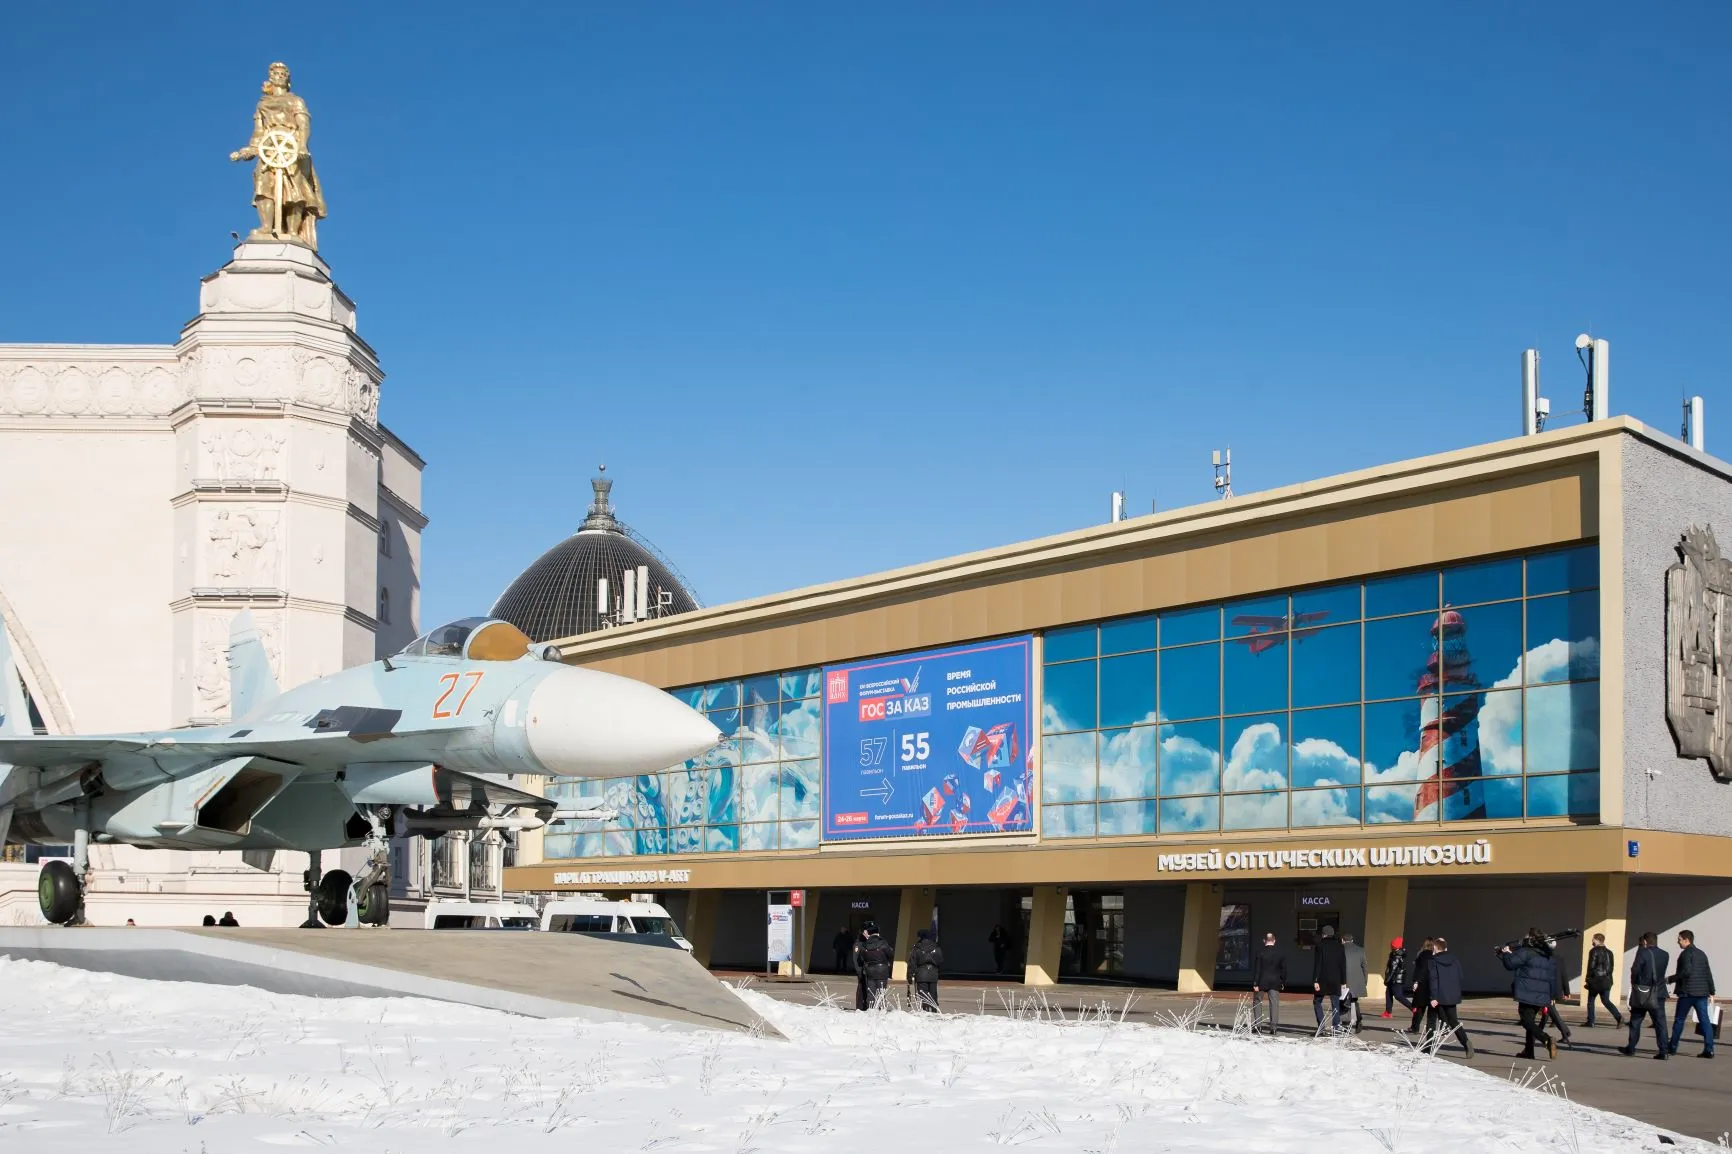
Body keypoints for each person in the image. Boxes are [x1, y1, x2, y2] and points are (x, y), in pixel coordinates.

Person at [1500, 928, 1562, 1060]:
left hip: (1527, 992)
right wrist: (1552, 996)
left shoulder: (1525, 952)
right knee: (1530, 1021)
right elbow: (1553, 977)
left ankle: (1546, 1039)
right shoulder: (1547, 955)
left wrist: (1506, 953)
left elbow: (1510, 964)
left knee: (1526, 1021)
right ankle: (1529, 1051)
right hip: (1542, 994)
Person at [1619, 931, 1672, 1059]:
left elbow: (1635, 970)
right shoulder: (1665, 954)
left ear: (1645, 941)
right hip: (1659, 992)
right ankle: (1663, 1051)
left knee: (1636, 1021)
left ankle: (1631, 1048)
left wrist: (1635, 984)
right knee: (1660, 1023)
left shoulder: (1643, 953)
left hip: (1642, 992)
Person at [1666, 929, 1716, 1059]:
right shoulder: (1702, 954)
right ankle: (1709, 1049)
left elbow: (1686, 972)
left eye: (1679, 939)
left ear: (1686, 940)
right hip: (1701, 993)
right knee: (1705, 1020)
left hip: (1687, 993)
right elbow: (1708, 973)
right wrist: (1712, 991)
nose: (1678, 942)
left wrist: (1670, 979)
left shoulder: (1685, 954)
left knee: (1679, 1020)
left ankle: (1672, 1047)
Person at [1422, 937, 1474, 1057]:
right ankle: (1466, 1042)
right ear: (1445, 948)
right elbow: (1460, 976)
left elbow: (1433, 979)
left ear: (1435, 948)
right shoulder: (1454, 959)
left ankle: (1429, 1047)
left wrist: (1433, 997)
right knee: (1453, 1021)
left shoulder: (1433, 961)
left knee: (1431, 1021)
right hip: (1451, 996)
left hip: (1437, 995)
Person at [1583, 932, 1623, 1029]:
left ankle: (1591, 1021)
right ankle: (1619, 1018)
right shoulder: (1610, 952)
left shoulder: (1594, 951)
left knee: (1591, 1000)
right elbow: (1611, 967)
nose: (1592, 941)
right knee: (1606, 1001)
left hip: (1595, 981)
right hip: (1607, 980)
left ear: (1597, 940)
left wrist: (1588, 979)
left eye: (1593, 939)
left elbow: (1591, 966)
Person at [1311, 924, 1348, 1031]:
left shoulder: (1320, 945)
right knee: (1335, 1003)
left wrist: (1315, 980)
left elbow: (1318, 964)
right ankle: (1335, 1026)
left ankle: (1321, 1026)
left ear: (1324, 934)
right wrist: (1343, 981)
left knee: (1317, 1001)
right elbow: (1343, 965)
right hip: (1336, 979)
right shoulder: (1340, 946)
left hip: (1322, 979)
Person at [1250, 931, 1286, 1034]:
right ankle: (1273, 1028)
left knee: (1257, 1002)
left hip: (1261, 981)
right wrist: (1282, 981)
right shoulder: (1281, 953)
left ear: (1264, 941)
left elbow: (1257, 969)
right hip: (1275, 981)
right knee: (1274, 1003)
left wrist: (1255, 983)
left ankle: (1258, 1026)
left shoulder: (1260, 952)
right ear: (1274, 940)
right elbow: (1284, 970)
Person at [855, 921, 894, 1010]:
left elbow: (861, 958)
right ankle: (881, 1009)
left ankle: (871, 1009)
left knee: (871, 992)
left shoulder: (865, 944)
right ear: (877, 932)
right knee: (881, 992)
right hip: (882, 970)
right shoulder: (883, 942)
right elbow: (890, 954)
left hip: (870, 970)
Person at [1407, 938, 1437, 1036]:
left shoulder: (1422, 955)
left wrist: (1416, 981)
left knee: (1419, 1008)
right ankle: (1431, 1030)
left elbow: (1421, 969)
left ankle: (1415, 1027)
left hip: (1422, 984)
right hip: (1433, 985)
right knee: (1432, 1010)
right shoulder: (1435, 956)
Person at [910, 928, 943, 1013]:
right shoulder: (936, 946)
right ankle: (934, 1011)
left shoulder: (917, 947)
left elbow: (912, 962)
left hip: (921, 973)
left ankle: (925, 1011)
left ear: (920, 936)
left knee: (923, 994)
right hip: (933, 973)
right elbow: (940, 960)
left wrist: (910, 975)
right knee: (933, 993)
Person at [1342, 932, 1368, 1033]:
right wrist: (1365, 981)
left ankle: (1345, 1024)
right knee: (1354, 1001)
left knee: (1344, 1002)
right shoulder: (1361, 950)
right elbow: (1364, 967)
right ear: (1352, 940)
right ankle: (1359, 1021)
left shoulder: (1341, 949)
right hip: (1357, 981)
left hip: (1344, 980)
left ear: (1343, 940)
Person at [1382, 936, 1412, 1018]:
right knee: (1388, 993)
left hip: (1395, 979)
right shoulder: (1397, 954)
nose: (1391, 946)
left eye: (1392, 945)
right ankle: (1388, 1012)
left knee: (1398, 996)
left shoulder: (1396, 956)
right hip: (1395, 978)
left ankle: (1413, 1008)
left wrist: (1387, 980)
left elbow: (1392, 969)